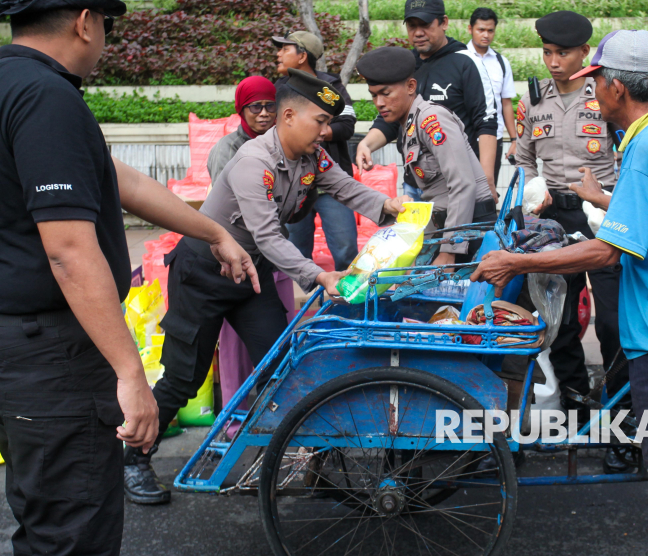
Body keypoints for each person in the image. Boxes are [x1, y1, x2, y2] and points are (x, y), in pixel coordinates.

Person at [0, 1, 258, 553]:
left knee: (38, 508)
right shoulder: (48, 98)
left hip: (17, 345)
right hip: (51, 355)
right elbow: (69, 251)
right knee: (71, 531)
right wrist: (129, 374)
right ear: (85, 21)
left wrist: (213, 233)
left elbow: (123, 181)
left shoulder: (12, 86)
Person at [472, 30, 648, 556]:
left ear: (616, 87)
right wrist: (602, 196)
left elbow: (609, 252)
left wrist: (516, 259)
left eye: (598, 81)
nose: (595, 92)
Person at [123, 69, 411, 504]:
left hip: (249, 275)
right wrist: (319, 275)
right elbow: (269, 237)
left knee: (282, 365)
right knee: (185, 376)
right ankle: (134, 459)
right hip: (203, 272)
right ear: (289, 115)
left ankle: (315, 460)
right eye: (319, 121)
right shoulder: (253, 162)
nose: (326, 130)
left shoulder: (312, 155)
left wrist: (386, 206)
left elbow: (346, 188)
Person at [516, 11, 627, 471]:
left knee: (614, 323)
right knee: (557, 320)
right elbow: (523, 158)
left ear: (585, 53)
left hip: (601, 214)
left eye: (563, 53)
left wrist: (613, 200)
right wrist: (531, 190)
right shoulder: (534, 99)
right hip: (552, 218)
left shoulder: (603, 97)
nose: (554, 61)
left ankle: (621, 422)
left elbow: (627, 156)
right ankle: (578, 410)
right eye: (547, 53)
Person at [206, 76, 297, 422]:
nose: (262, 113)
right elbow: (231, 213)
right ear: (241, 110)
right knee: (235, 348)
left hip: (272, 255)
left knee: (278, 342)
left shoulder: (283, 145)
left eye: (269, 105)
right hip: (236, 261)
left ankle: (283, 416)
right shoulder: (229, 150)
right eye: (254, 107)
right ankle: (236, 417)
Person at [357, 47, 498, 267]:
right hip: (447, 227)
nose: (379, 103)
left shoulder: (431, 120)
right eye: (374, 95)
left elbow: (463, 184)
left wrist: (449, 251)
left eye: (386, 93)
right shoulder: (409, 122)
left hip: (470, 231)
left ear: (411, 86)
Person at [355, 0, 498, 202]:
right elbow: (390, 115)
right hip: (413, 184)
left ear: (444, 22)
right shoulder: (406, 65)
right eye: (412, 26)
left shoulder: (466, 62)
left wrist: (486, 181)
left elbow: (486, 123)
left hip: (457, 184)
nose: (418, 32)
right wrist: (366, 145)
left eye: (425, 24)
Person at [272, 31, 360, 271]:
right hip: (293, 185)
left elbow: (347, 124)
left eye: (285, 49)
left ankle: (344, 304)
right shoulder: (279, 89)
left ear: (302, 56)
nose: (278, 54)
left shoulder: (331, 86)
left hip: (331, 186)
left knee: (346, 251)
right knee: (295, 254)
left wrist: (312, 132)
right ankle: (305, 304)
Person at [467, 7, 517, 181]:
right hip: (464, 138)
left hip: (494, 137)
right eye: (481, 30)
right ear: (470, 29)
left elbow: (506, 103)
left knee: (489, 188)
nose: (486, 35)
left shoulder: (501, 63)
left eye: (490, 30)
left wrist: (514, 139)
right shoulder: (458, 59)